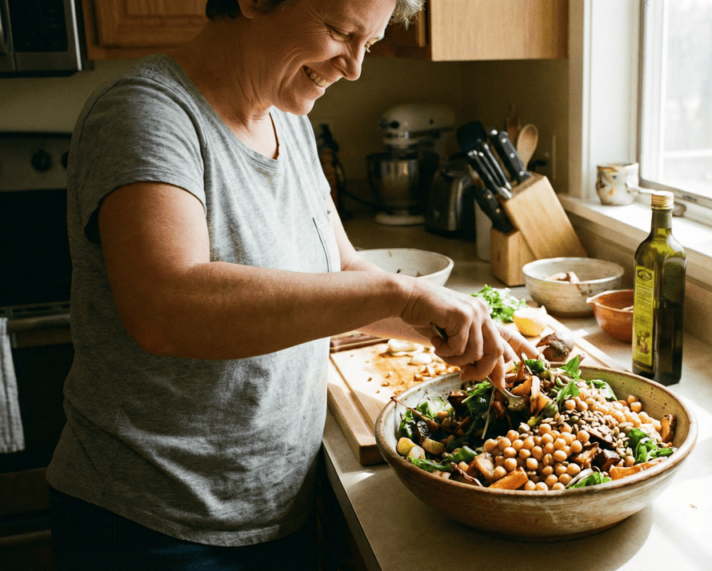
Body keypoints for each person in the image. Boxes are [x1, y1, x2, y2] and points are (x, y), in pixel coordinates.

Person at [46, 0, 538, 568]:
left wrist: (449, 320)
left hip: (277, 509)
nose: (353, 67)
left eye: (369, 44)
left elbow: (341, 273)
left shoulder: (290, 122)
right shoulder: (145, 113)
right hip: (151, 526)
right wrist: (400, 295)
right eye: (338, 32)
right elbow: (166, 309)